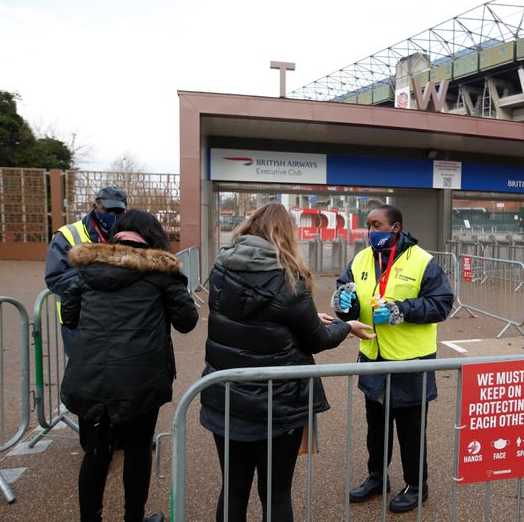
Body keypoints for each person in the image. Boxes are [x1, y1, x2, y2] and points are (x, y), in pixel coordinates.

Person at [199, 202, 374, 522]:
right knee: (276, 493)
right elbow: (316, 340)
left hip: (225, 396)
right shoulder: (287, 277)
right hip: (275, 403)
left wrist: (309, 319)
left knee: (233, 488)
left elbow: (254, 321)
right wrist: (346, 327)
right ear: (285, 234)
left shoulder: (222, 267)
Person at [60, 210, 199, 522]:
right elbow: (188, 322)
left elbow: (68, 317)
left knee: (96, 453)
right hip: (140, 379)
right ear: (153, 237)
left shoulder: (87, 269)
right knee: (137, 451)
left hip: (90, 376)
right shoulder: (161, 273)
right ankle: (134, 518)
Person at [333, 204, 453, 513]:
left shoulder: (422, 261)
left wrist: (403, 309)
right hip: (373, 358)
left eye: (376, 225)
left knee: (411, 432)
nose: (370, 232)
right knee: (377, 428)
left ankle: (417, 485)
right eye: (368, 226)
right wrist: (343, 303)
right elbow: (346, 297)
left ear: (395, 228)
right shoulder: (361, 258)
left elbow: (441, 304)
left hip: (411, 362)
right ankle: (377, 477)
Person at [45, 186, 128, 352]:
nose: (112, 216)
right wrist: (98, 278)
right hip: (80, 321)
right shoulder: (68, 234)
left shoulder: (128, 235)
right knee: (84, 373)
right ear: (95, 206)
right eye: (108, 209)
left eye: (118, 211)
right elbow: (56, 278)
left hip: (119, 320)